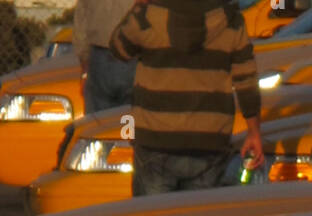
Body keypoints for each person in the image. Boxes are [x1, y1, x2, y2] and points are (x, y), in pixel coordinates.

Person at [109, 0, 264, 197]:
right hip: (209, 141)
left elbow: (118, 49)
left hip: (155, 140)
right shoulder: (229, 18)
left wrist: (138, 6)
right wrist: (254, 132)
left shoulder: (147, 15)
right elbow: (247, 79)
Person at [73, 0, 138, 113]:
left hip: (99, 57)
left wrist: (84, 63)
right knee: (129, 116)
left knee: (98, 120)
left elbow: (81, 23)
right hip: (131, 54)